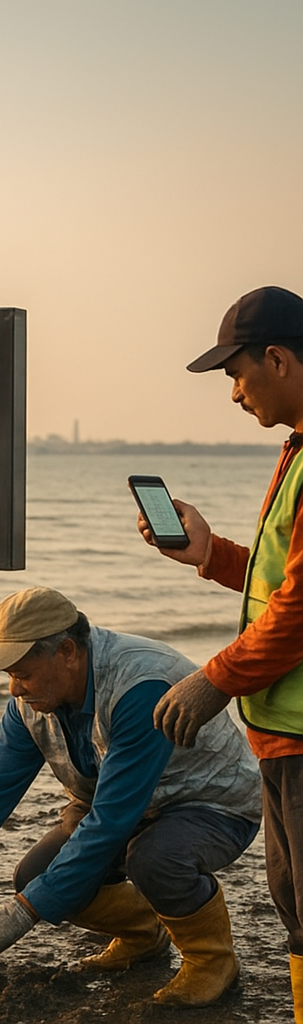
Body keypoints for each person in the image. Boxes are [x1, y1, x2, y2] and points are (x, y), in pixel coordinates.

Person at [0, 587, 260, 1008]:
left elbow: (110, 822)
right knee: (35, 874)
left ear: (67, 651)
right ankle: (145, 932)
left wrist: (22, 914)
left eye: (23, 673)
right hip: (120, 803)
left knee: (154, 859)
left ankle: (211, 961)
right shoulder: (32, 700)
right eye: (8, 675)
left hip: (209, 803)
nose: (15, 689)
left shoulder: (138, 686)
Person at [141, 285, 303, 1020]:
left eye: (237, 374)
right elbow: (280, 586)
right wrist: (211, 554)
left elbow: (300, 613)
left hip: (300, 736)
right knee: (292, 904)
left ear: (277, 358)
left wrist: (214, 681)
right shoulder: (296, 450)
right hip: (281, 735)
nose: (234, 394)